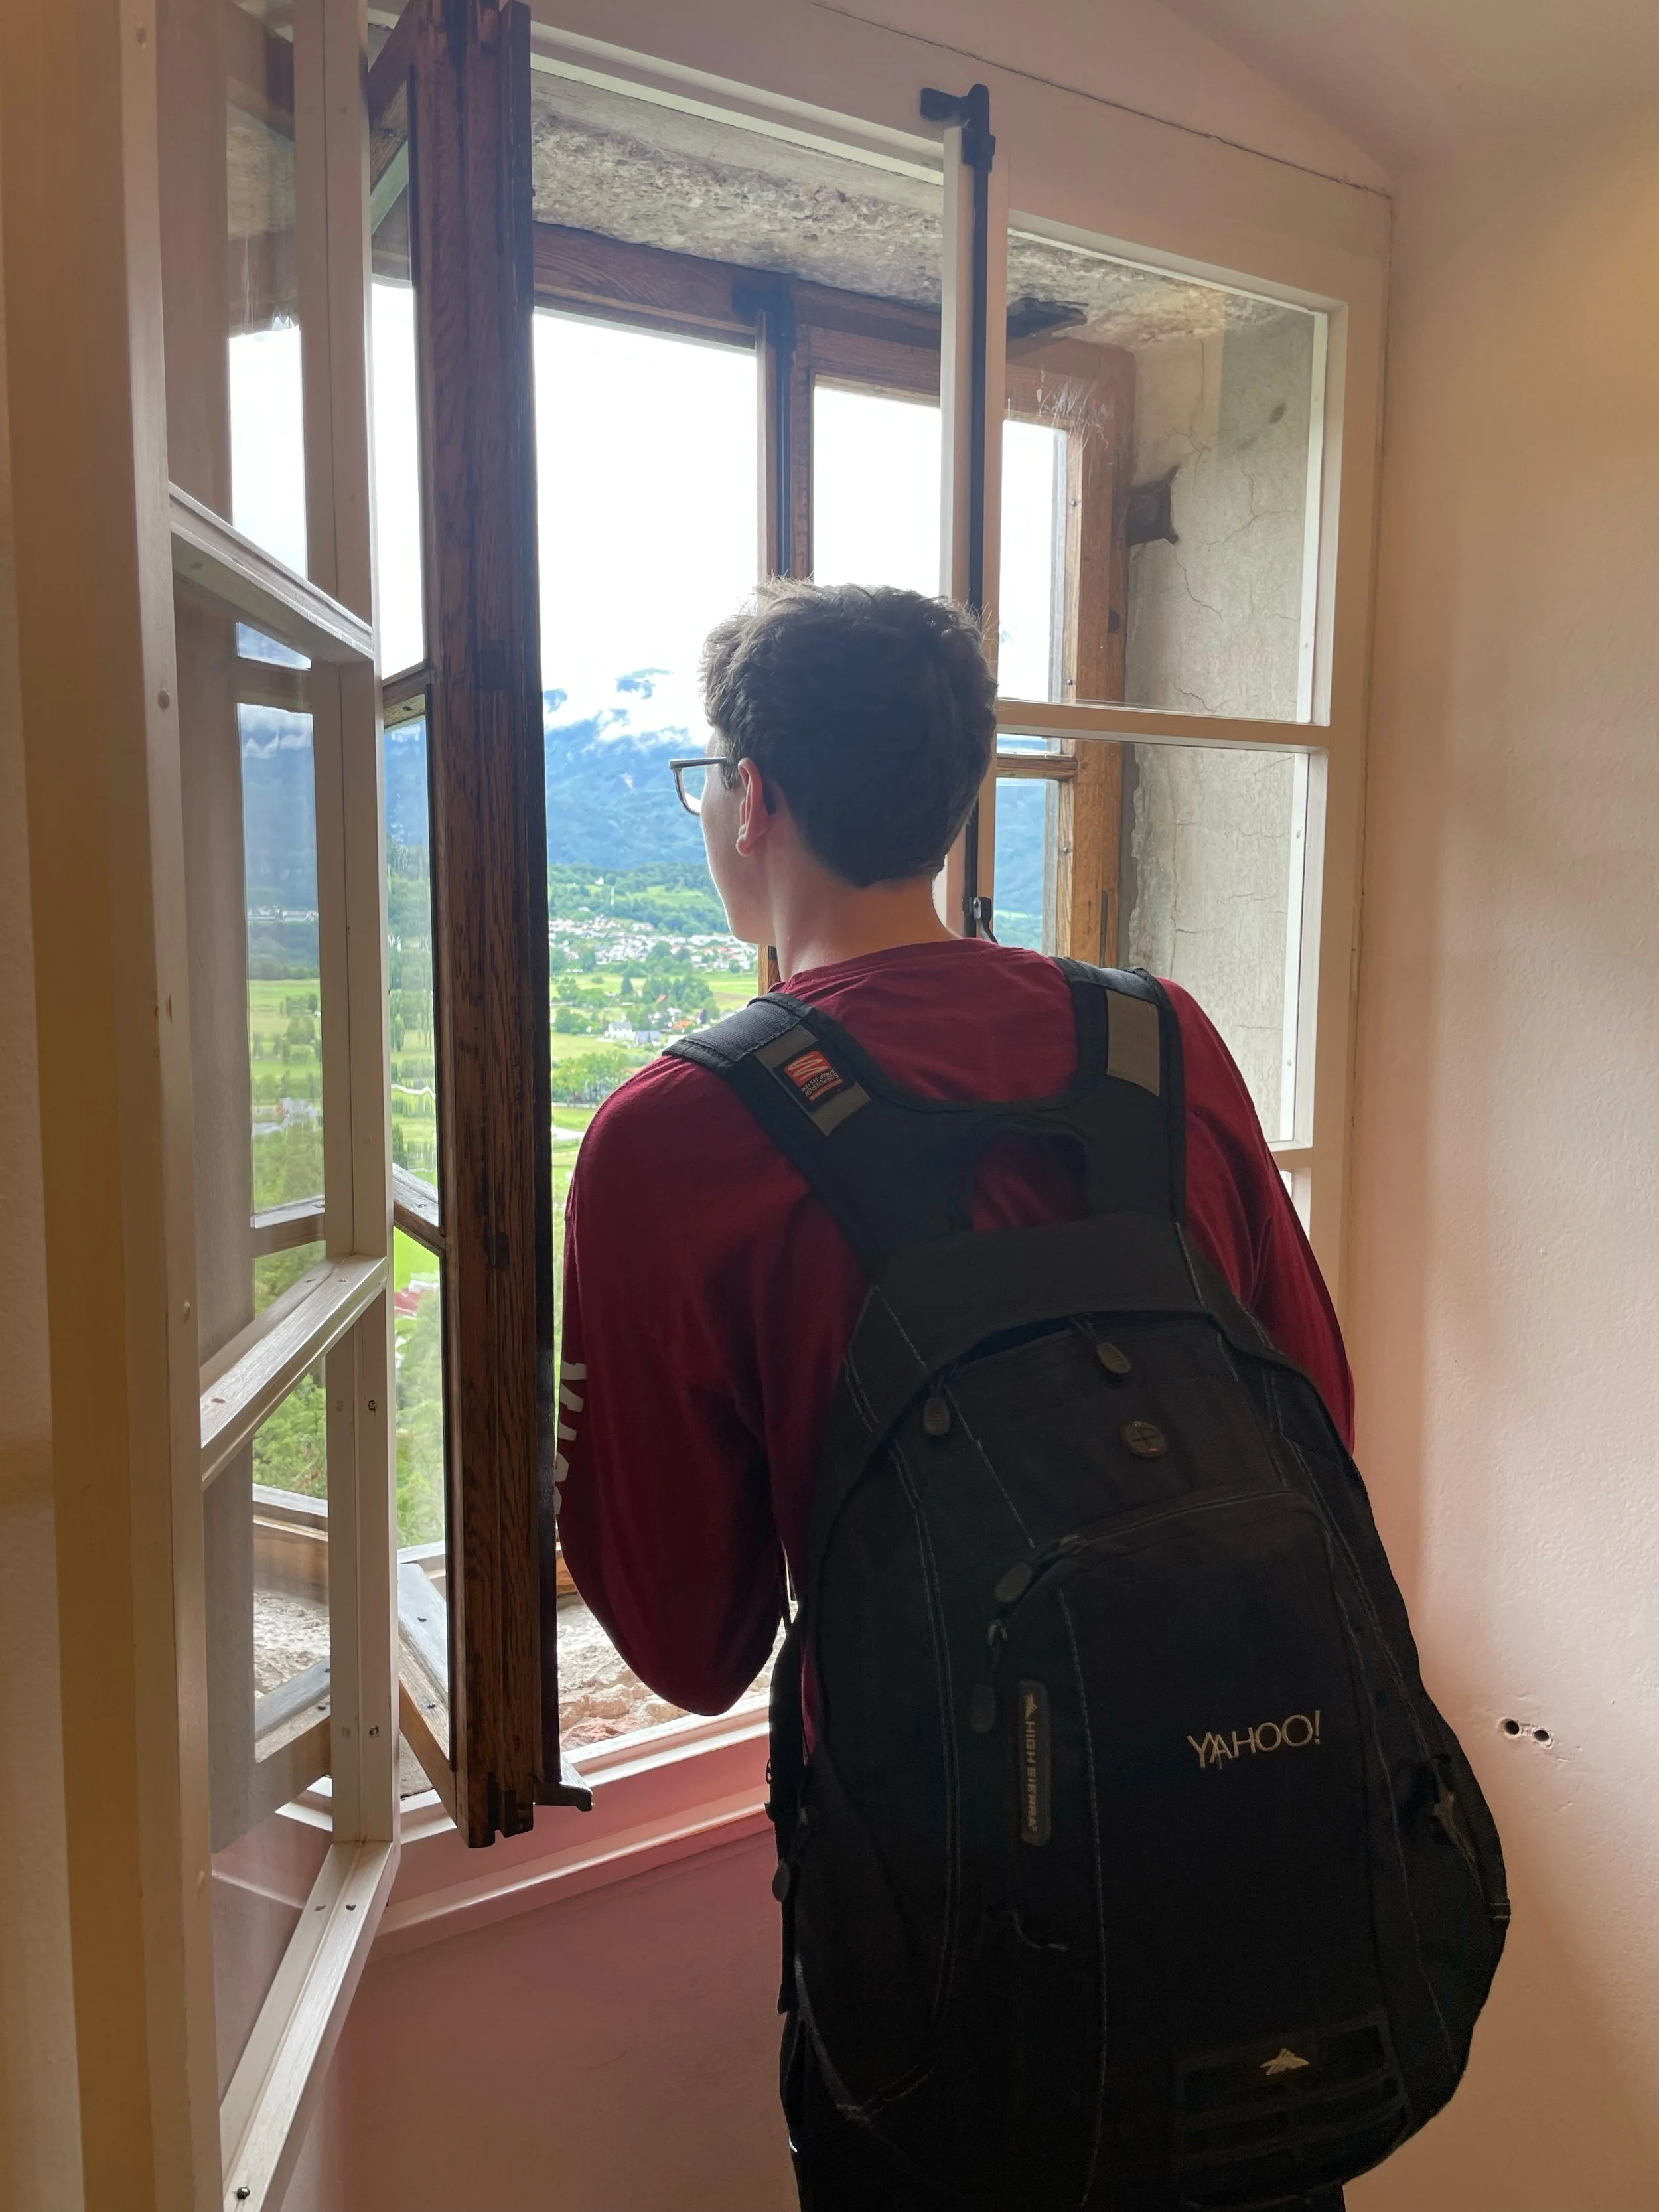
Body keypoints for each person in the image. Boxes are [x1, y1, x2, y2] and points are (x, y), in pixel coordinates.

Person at [555, 581, 1353, 2212]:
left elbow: (689, 1643)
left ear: (751, 798)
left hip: (931, 1945)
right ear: (960, 785)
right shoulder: (1160, 1043)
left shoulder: (671, 1136)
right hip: (1251, 1867)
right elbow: (1314, 1421)